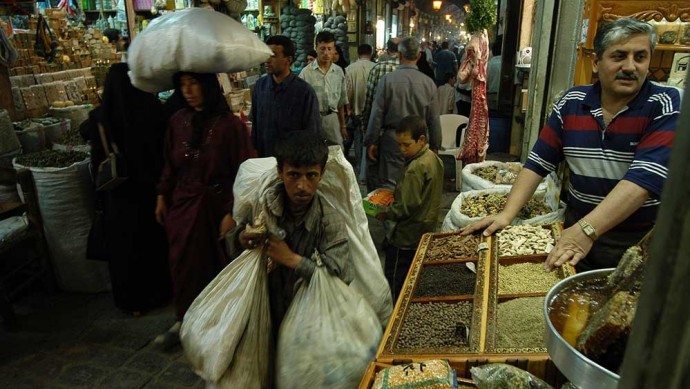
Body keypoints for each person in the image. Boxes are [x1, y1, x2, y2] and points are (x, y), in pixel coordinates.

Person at [462, 18, 680, 272]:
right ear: (597, 63)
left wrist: (587, 230)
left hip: (637, 242)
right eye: (619, 56)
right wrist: (506, 215)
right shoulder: (572, 102)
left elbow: (644, 180)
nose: (630, 66)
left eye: (640, 57)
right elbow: (538, 163)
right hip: (576, 231)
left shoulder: (665, 104)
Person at [227, 132, 352, 354]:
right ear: (280, 172)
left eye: (310, 176)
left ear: (321, 174)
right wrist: (241, 238)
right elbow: (237, 238)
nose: (302, 186)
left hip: (309, 322)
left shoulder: (329, 221)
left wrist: (292, 260)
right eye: (293, 175)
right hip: (267, 310)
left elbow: (340, 279)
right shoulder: (264, 206)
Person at [154, 72, 255, 347]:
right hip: (183, 208)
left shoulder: (230, 126)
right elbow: (169, 163)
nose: (187, 91)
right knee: (183, 265)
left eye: (194, 83)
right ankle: (185, 318)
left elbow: (245, 172)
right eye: (182, 85)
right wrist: (162, 194)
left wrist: (232, 213)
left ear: (208, 85)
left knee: (217, 267)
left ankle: (218, 323)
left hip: (216, 209)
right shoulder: (178, 122)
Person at [86, 63, 171, 316]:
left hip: (118, 195)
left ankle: (131, 302)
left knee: (125, 251)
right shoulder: (153, 110)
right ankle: (159, 293)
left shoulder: (99, 118)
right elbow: (162, 154)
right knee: (152, 245)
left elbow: (95, 160)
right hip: (149, 193)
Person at [376, 116, 443, 301]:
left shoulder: (415, 168)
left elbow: (406, 207)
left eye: (406, 144)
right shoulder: (434, 159)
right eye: (399, 145)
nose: (402, 150)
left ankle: (394, 318)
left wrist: (384, 212)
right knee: (415, 279)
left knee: (397, 282)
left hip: (406, 237)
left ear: (421, 140)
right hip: (425, 229)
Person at [365, 37, 441, 190]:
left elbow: (377, 113)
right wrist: (435, 145)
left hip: (392, 140)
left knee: (390, 184)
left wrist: (371, 141)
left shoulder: (388, 80)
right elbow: (434, 119)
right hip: (418, 142)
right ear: (419, 56)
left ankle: (392, 212)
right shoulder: (428, 83)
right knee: (415, 184)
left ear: (399, 55)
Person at [251, 35, 321, 157]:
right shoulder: (260, 87)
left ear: (288, 60)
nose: (267, 60)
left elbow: (311, 133)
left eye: (273, 55)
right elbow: (256, 126)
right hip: (265, 158)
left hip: (292, 161)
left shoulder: (304, 92)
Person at [362, 37, 400, 191]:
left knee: (377, 171)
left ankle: (377, 203)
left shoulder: (378, 69)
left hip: (380, 130)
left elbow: (370, 102)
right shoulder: (410, 73)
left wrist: (367, 129)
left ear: (388, 49)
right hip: (405, 132)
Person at [299, 31, 348, 148]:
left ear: (334, 50)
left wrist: (343, 126)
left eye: (329, 49)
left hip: (332, 119)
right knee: (313, 153)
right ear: (316, 48)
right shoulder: (306, 73)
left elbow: (341, 101)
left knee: (336, 153)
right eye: (322, 49)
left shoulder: (338, 72)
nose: (326, 53)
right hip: (312, 120)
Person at [459, 29, 490, 165]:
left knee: (476, 126)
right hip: (467, 97)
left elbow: (461, 77)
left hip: (474, 96)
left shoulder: (479, 57)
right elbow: (462, 77)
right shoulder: (471, 57)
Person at [345, 44, 376, 177]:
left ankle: (359, 166)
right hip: (373, 112)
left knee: (359, 139)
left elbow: (347, 92)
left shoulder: (350, 69)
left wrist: (349, 108)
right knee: (371, 140)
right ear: (371, 53)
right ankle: (368, 169)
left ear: (358, 53)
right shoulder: (376, 68)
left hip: (356, 111)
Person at [486, 36, 503, 112]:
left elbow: (486, 82)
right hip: (503, 96)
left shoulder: (489, 64)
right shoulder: (506, 64)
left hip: (491, 96)